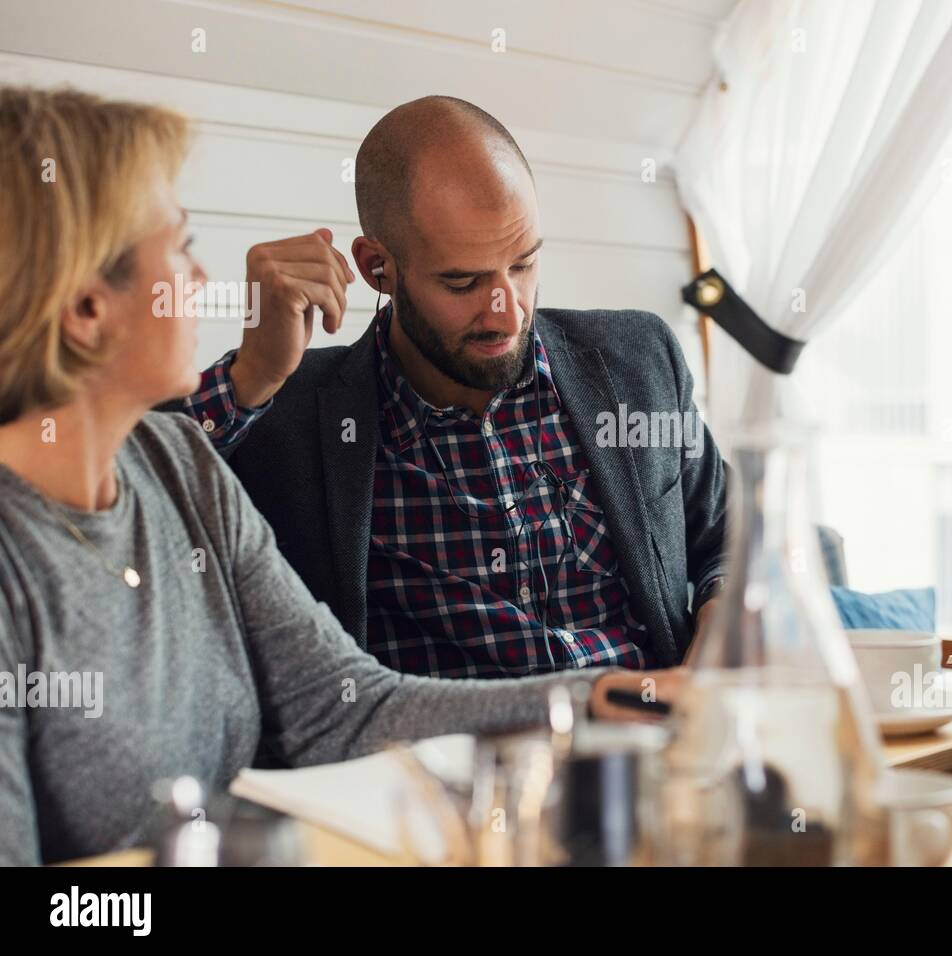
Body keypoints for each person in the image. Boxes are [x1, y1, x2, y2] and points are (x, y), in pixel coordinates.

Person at [0, 86, 680, 865]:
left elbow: (343, 706)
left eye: (522, 263)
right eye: (182, 247)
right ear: (88, 310)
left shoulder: (176, 465)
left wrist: (605, 697)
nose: (201, 280)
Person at [175, 94, 728, 679]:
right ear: (376, 266)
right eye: (462, 282)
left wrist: (715, 651)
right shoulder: (289, 413)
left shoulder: (636, 360)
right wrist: (252, 376)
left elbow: (731, 532)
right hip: (433, 757)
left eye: (523, 265)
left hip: (649, 739)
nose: (506, 314)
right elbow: (117, 492)